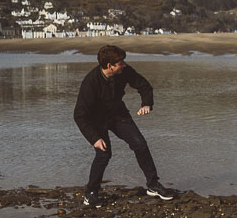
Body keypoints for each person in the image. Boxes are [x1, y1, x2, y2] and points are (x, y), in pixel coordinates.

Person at [73, 44, 176, 207]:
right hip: (96, 120)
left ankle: (153, 185)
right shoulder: (90, 83)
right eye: (121, 63)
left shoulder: (124, 71)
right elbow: (79, 115)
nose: (125, 65)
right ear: (110, 66)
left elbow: (144, 85)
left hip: (118, 114)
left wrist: (146, 103)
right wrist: (94, 138)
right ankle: (90, 193)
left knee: (140, 145)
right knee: (103, 154)